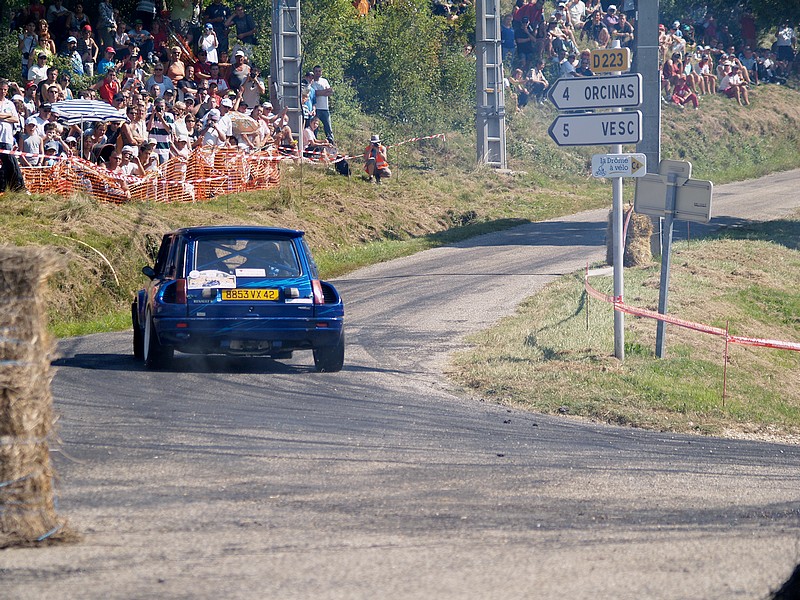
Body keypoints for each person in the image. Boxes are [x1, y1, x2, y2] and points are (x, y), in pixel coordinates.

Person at [0, 79, 27, 193]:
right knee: (6, 164)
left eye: (5, 90)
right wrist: (7, 116)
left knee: (10, 162)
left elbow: (15, 118)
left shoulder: (9, 104)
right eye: (1, 89)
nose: (2, 92)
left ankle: (19, 186)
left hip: (6, 138)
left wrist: (2, 116)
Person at [311, 65, 334, 143]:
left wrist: (322, 92)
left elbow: (330, 92)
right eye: (316, 71)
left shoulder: (324, 81)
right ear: (314, 72)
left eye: (319, 71)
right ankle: (314, 142)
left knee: (328, 126)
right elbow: (315, 93)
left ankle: (331, 141)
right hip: (316, 108)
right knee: (315, 127)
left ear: (321, 72)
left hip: (325, 108)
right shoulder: (312, 82)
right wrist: (325, 92)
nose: (318, 73)